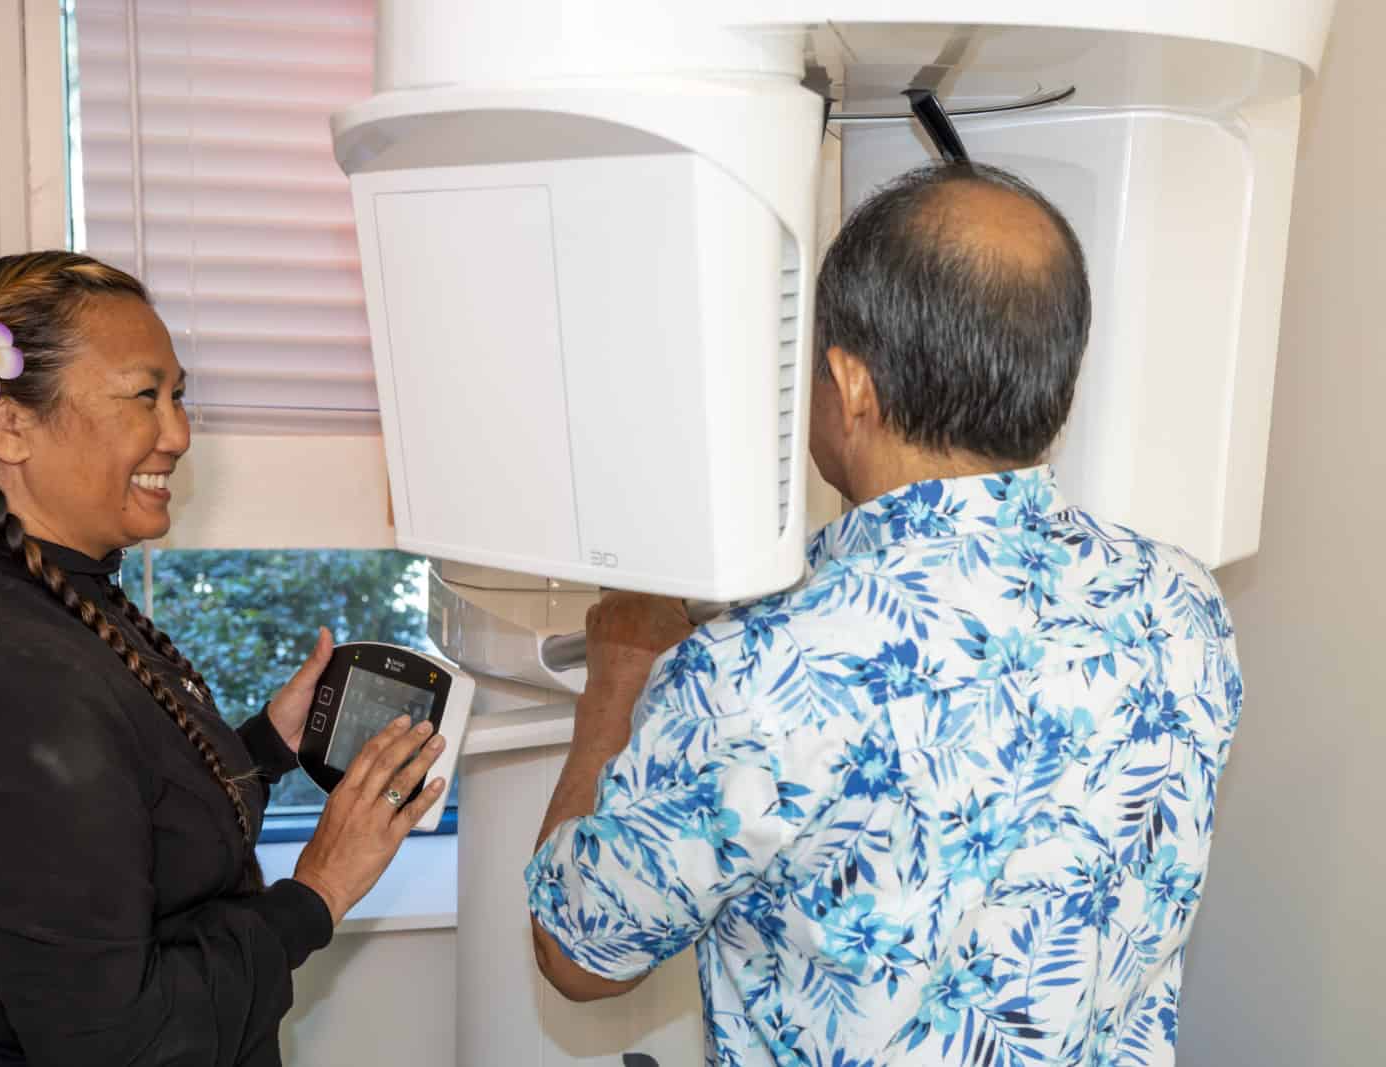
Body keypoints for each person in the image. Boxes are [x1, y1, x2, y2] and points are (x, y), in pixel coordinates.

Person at [526, 162, 1238, 1065]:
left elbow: (578, 954)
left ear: (850, 384)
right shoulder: (1183, 604)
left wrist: (618, 684)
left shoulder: (757, 675)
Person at [0, 251, 447, 1066]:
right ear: (7, 423)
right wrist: (320, 890)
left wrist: (267, 745)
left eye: (177, 395)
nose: (179, 434)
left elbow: (136, 829)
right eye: (143, 396)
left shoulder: (55, 590)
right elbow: (122, 1041)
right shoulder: (14, 683)